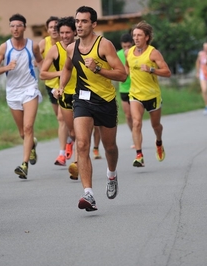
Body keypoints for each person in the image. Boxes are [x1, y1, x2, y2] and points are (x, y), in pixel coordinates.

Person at [56, 6, 127, 211]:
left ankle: (111, 175)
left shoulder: (104, 46)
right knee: (82, 144)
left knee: (110, 147)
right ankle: (89, 194)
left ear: (93, 24)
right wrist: (61, 86)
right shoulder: (72, 48)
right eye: (77, 21)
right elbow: (67, 68)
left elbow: (122, 74)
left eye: (84, 21)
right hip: (82, 100)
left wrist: (98, 68)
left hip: (105, 101)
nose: (79, 25)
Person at [0, 14, 43, 179]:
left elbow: (41, 62)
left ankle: (24, 165)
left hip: (30, 89)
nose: (15, 29)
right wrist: (7, 67)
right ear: (10, 28)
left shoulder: (32, 46)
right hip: (13, 91)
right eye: (12, 26)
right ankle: (32, 146)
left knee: (28, 128)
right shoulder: (4, 47)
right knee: (22, 132)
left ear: (24, 27)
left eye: (19, 25)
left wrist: (44, 71)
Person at [125, 21, 171, 167]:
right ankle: (139, 155)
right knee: (136, 122)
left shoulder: (153, 53)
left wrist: (152, 70)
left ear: (147, 37)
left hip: (152, 95)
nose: (136, 38)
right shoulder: (129, 52)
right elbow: (127, 66)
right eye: (134, 35)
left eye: (139, 35)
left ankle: (159, 142)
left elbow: (167, 72)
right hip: (135, 94)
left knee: (155, 126)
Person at [40, 16, 77, 168]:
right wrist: (60, 73)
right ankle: (68, 144)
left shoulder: (83, 46)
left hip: (84, 92)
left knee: (82, 129)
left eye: (67, 33)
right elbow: (43, 74)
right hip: (63, 91)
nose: (64, 36)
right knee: (72, 130)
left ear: (75, 32)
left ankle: (77, 162)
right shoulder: (55, 49)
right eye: (62, 33)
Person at [117, 33, 134, 147]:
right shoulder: (117, 55)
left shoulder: (136, 54)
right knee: (128, 115)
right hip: (123, 88)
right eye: (124, 47)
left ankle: (137, 134)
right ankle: (134, 134)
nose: (126, 49)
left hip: (136, 88)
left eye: (128, 46)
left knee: (136, 116)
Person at [196, 42, 207, 115]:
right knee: (204, 90)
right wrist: (198, 72)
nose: (206, 49)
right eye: (205, 47)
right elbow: (198, 62)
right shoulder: (201, 54)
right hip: (203, 74)